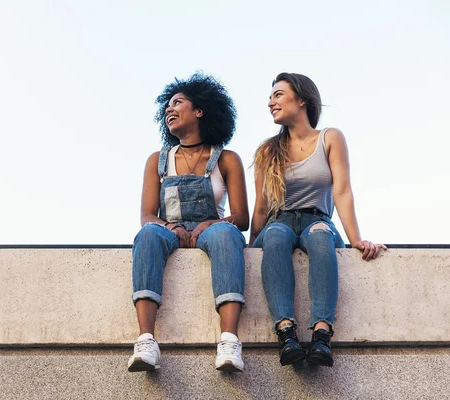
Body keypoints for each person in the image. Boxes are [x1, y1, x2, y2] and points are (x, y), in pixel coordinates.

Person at [250, 72, 386, 367]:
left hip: (317, 219)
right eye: (270, 97)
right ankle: (286, 334)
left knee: (322, 234)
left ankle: (322, 335)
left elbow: (343, 191)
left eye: (278, 95)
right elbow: (260, 207)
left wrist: (356, 240)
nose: (270, 102)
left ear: (301, 99)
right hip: (279, 220)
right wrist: (250, 246)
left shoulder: (330, 137)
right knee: (274, 236)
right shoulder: (266, 150)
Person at [128, 73, 249, 373]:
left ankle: (229, 340)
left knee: (226, 234)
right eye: (167, 106)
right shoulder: (158, 159)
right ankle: (146, 340)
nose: (169, 110)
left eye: (177, 103)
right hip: (168, 228)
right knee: (147, 235)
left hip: (212, 229)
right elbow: (147, 215)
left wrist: (210, 224)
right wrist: (171, 228)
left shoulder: (227, 159)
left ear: (200, 111)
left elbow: (242, 218)